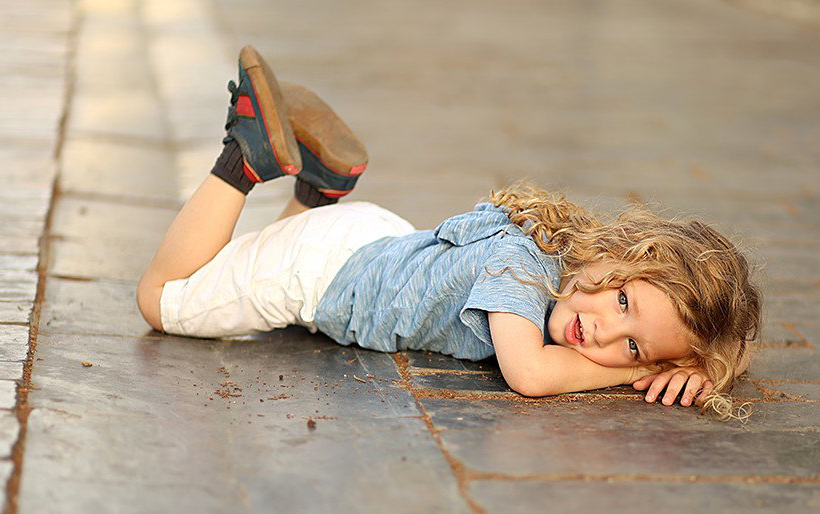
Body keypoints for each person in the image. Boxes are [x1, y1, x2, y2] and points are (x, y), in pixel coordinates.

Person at [137, 47, 761, 419]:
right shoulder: (524, 275)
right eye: (623, 302)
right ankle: (244, 158)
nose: (601, 330)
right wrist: (634, 375)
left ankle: (318, 189)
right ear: (620, 258)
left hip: (370, 241)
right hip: (323, 275)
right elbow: (531, 376)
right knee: (163, 300)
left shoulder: (552, 251)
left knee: (251, 266)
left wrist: (690, 362)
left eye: (632, 346)